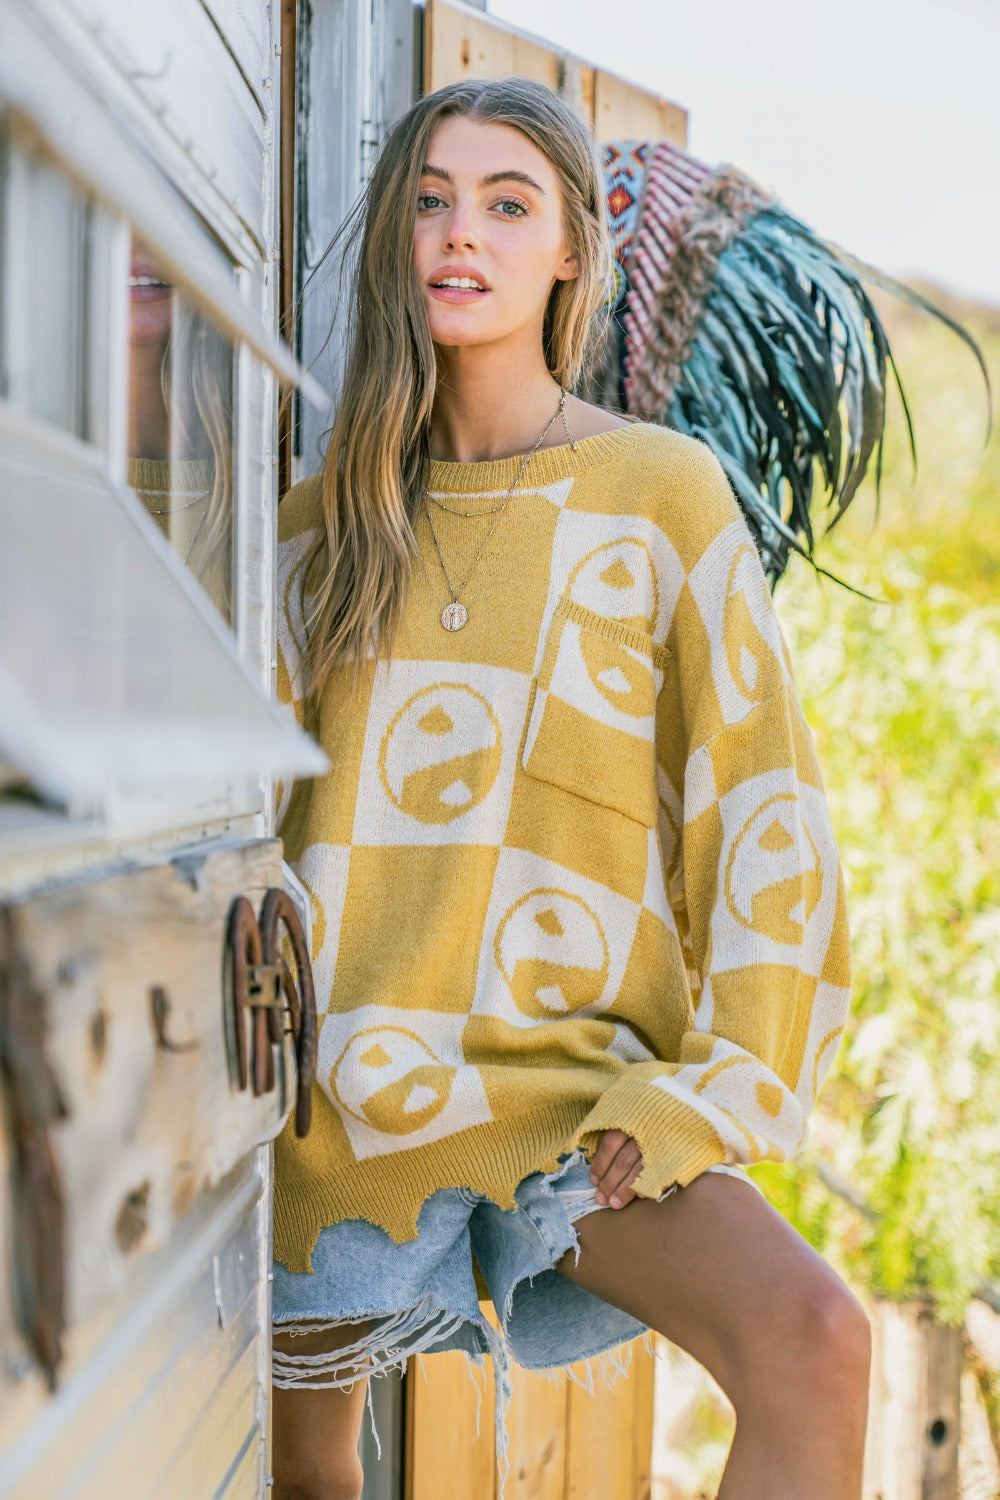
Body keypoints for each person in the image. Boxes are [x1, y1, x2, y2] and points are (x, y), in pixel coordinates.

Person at [270, 77, 870, 1500]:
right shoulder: (318, 527)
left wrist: (711, 1096)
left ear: (569, 253)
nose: (457, 235)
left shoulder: (660, 493)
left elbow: (767, 827)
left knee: (817, 1344)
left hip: (567, 1089)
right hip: (336, 1098)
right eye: (428, 200)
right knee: (306, 1477)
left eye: (505, 202)